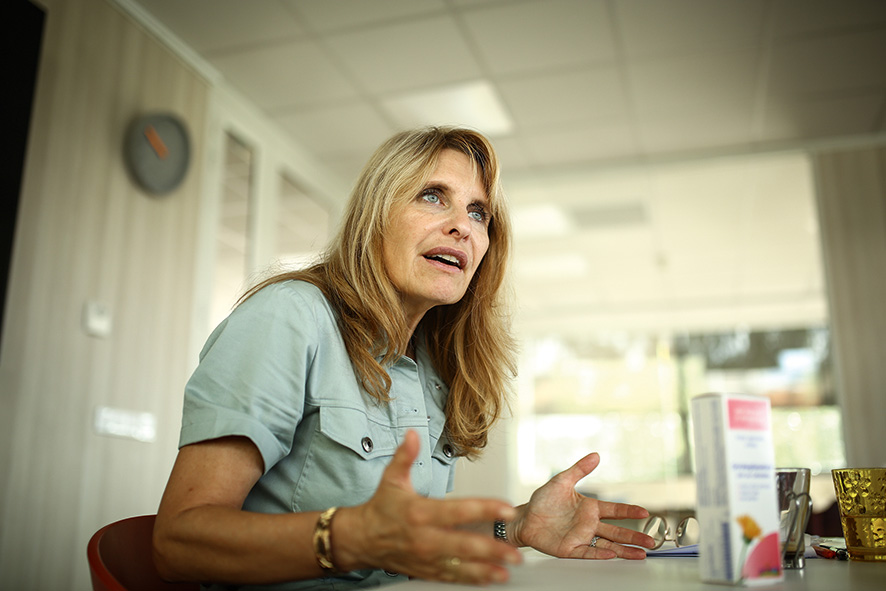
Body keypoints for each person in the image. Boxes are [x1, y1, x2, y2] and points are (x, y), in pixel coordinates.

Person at [153, 126, 656, 590]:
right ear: (375, 217)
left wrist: (517, 525)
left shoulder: (432, 367)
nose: (463, 226)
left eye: (478, 213)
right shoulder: (289, 317)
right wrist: (349, 537)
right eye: (433, 196)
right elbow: (178, 541)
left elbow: (405, 543)